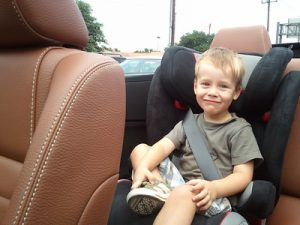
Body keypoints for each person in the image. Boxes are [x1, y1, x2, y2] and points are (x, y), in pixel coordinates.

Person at [126, 47, 263, 225]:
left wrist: (214, 188)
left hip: (212, 195)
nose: (213, 92)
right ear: (195, 86)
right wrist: (143, 166)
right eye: (206, 84)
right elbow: (162, 146)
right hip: (180, 183)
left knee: (186, 191)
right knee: (141, 150)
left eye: (223, 86)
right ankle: (158, 188)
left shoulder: (239, 129)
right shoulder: (188, 123)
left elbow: (243, 175)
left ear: (236, 92)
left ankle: (165, 194)